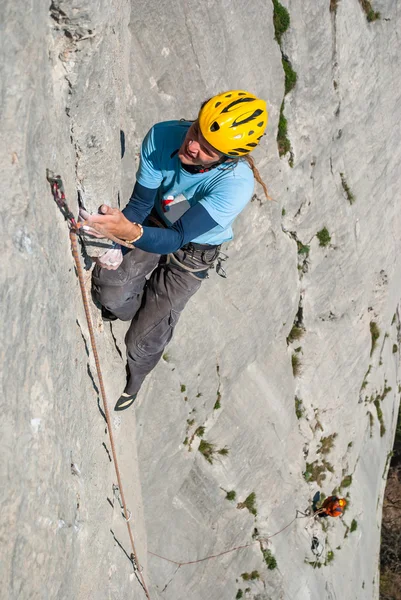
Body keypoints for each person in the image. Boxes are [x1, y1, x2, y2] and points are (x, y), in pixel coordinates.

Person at [82, 90, 269, 411]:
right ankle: (128, 304)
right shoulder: (163, 136)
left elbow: (179, 237)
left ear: (227, 158)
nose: (192, 145)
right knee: (111, 291)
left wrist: (129, 233)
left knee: (142, 340)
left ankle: (135, 378)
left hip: (196, 249)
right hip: (157, 218)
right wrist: (117, 239)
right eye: (196, 131)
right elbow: (140, 204)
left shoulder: (236, 184)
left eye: (208, 149)